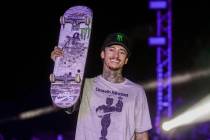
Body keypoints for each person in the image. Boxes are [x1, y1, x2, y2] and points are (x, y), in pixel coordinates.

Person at [51, 32, 152, 140]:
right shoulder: (85, 85)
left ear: (126, 60)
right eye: (112, 49)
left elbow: (141, 135)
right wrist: (60, 67)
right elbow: (59, 103)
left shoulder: (136, 91)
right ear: (102, 54)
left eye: (122, 52)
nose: (116, 55)